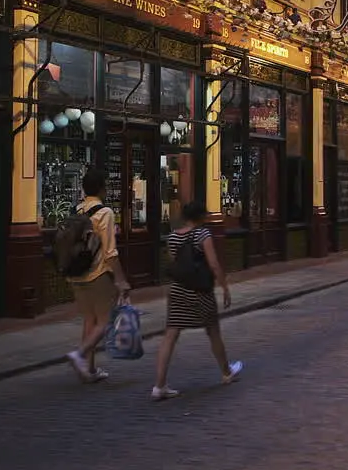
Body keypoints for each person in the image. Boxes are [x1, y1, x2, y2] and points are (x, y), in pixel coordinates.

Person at [151, 201, 242, 400]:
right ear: (201, 217)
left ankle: (159, 385)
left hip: (178, 290)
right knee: (213, 331)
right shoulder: (204, 235)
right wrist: (225, 288)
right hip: (200, 291)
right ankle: (226, 372)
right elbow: (214, 264)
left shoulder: (173, 237)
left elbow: (175, 263)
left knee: (171, 334)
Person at [64, 167, 130, 384]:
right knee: (105, 320)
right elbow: (110, 252)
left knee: (89, 320)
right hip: (98, 274)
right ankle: (80, 354)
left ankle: (89, 369)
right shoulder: (105, 213)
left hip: (76, 274)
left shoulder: (77, 210)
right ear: (102, 188)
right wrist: (121, 280)